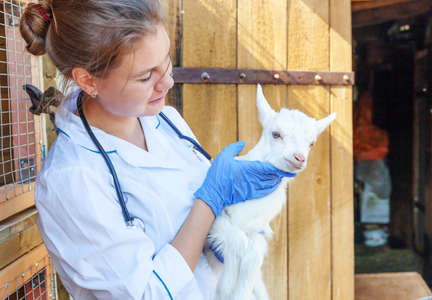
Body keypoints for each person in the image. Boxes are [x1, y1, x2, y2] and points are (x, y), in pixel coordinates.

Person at [19, 1, 295, 299]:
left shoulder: (165, 120)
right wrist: (211, 200)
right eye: (145, 76)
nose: (167, 81)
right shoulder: (72, 180)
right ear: (88, 80)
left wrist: (236, 207)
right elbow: (146, 293)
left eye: (165, 60)